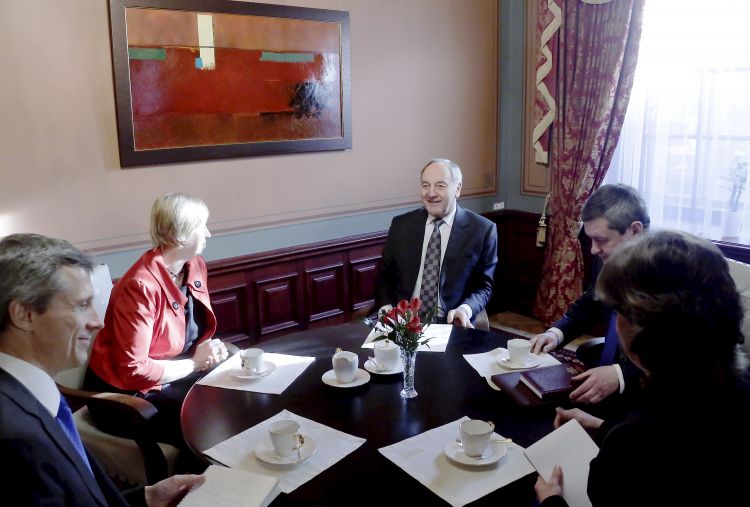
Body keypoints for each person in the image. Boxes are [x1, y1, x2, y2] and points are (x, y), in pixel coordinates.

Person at [535, 230, 749, 505]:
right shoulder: (735, 387)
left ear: (642, 329)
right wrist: (603, 427)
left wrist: (551, 500)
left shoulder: (630, 448)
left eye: (618, 311)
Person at [0, 233, 205, 506]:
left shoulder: (35, 391)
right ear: (24, 315)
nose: (97, 322)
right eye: (81, 305)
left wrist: (147, 499)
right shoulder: (13, 437)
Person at [85, 193, 227, 447]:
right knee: (207, 420)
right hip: (124, 397)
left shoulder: (195, 265)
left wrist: (208, 351)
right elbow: (134, 370)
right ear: (178, 235)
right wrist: (195, 363)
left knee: (236, 389)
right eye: (201, 226)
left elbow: (189, 328)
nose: (208, 234)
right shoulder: (140, 286)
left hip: (172, 376)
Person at [530, 184, 649, 404]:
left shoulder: (671, 275)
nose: (593, 250)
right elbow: (586, 309)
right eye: (591, 240)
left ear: (635, 230)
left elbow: (683, 356)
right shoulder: (612, 261)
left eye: (601, 240)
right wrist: (555, 334)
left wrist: (621, 374)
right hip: (603, 383)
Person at [374, 159, 498, 328]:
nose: (431, 193)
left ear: (458, 189)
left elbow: (483, 287)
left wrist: (465, 310)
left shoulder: (482, 230)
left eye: (440, 186)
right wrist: (388, 310)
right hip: (403, 322)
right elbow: (384, 277)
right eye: (425, 185)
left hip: (451, 322)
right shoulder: (401, 225)